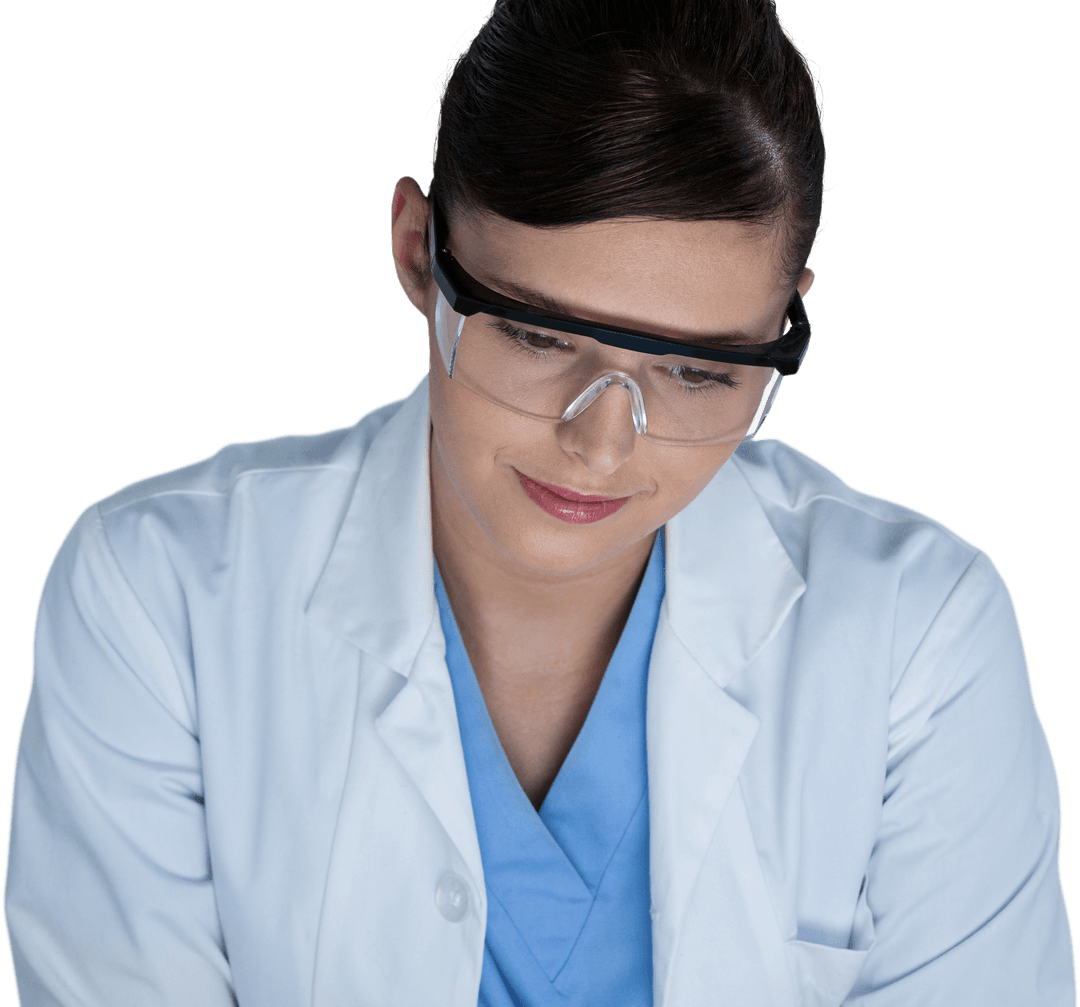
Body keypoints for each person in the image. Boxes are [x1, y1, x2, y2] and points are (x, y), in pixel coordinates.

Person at [3, 0, 1074, 1003]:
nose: (603, 440)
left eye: (699, 371)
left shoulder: (918, 639)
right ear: (419, 254)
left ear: (788, 324)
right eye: (538, 335)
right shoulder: (158, 600)